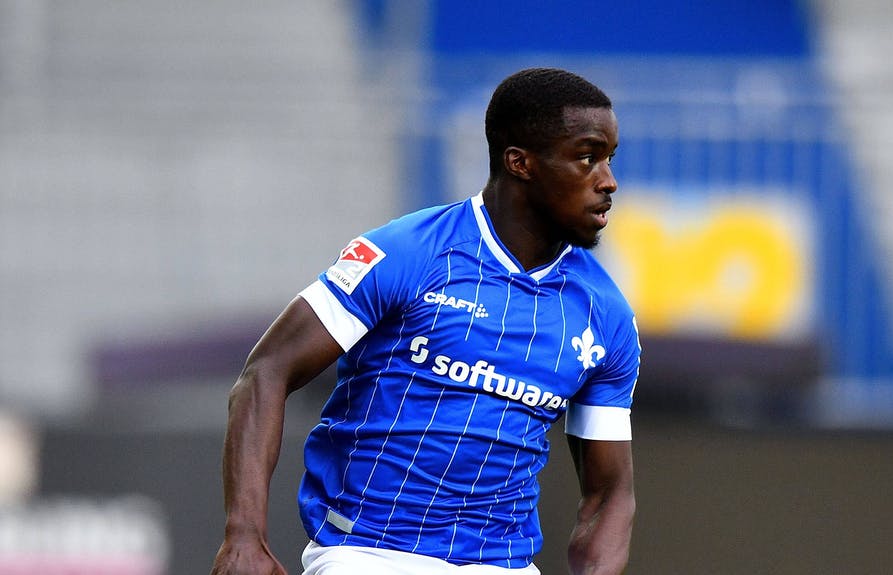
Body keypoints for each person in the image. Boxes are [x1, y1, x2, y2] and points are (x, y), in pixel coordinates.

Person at [211, 67, 640, 575]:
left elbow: (609, 494)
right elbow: (266, 371)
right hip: (369, 552)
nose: (608, 181)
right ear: (520, 162)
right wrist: (244, 535)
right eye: (588, 157)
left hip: (501, 564)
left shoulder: (606, 314)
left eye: (610, 159)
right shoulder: (407, 254)